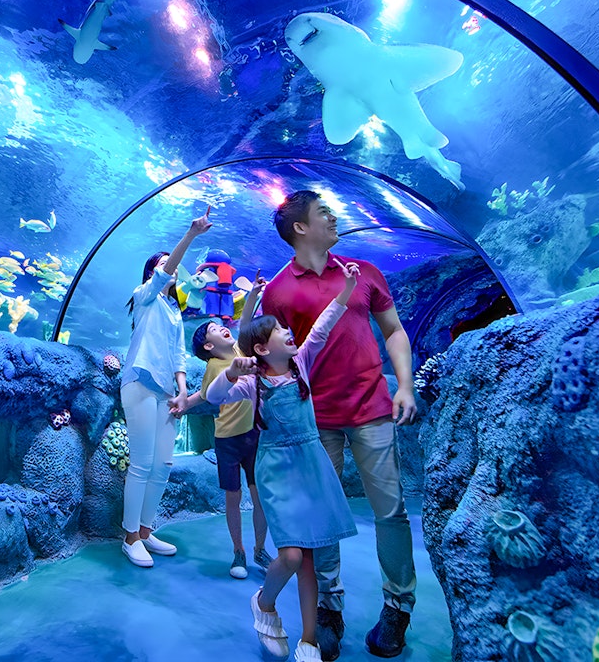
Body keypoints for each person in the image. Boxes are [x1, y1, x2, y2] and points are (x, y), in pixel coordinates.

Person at [260, 190, 418, 660]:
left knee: (390, 510)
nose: (334, 216)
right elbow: (270, 359)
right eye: (323, 212)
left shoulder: (363, 273)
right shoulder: (278, 292)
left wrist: (404, 386)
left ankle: (398, 606)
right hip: (314, 420)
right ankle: (329, 608)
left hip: (372, 407)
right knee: (322, 521)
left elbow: (393, 330)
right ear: (300, 229)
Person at [206, 260, 361, 662]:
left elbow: (325, 323)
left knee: (308, 555)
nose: (290, 334)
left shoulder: (302, 364)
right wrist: (230, 374)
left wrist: (345, 289)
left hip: (311, 465)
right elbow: (213, 399)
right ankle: (265, 600)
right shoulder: (252, 383)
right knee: (291, 555)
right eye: (280, 332)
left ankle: (308, 639)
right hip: (277, 471)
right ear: (261, 348)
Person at [119, 206, 213, 568]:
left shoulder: (174, 312)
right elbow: (163, 275)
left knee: (163, 465)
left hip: (165, 393)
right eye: (165, 266)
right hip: (140, 384)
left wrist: (183, 392)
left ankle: (144, 530)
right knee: (142, 464)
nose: (172, 271)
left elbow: (177, 354)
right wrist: (190, 235)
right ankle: (129, 538)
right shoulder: (144, 297)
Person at [174, 274, 274, 579]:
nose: (222, 328)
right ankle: (238, 551)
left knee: (260, 496)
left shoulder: (244, 352)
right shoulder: (214, 366)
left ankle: (260, 549)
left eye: (222, 326)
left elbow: (244, 323)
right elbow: (206, 395)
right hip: (227, 439)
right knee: (234, 497)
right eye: (215, 330)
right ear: (208, 345)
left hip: (254, 435)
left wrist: (254, 293)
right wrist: (185, 404)